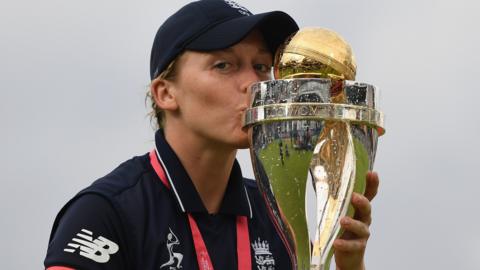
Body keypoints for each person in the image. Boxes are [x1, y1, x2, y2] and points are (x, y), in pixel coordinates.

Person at [44, 1, 379, 269]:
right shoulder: (107, 212)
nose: (254, 84)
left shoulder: (276, 216)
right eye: (224, 65)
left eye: (262, 66)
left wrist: (348, 262)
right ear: (165, 93)